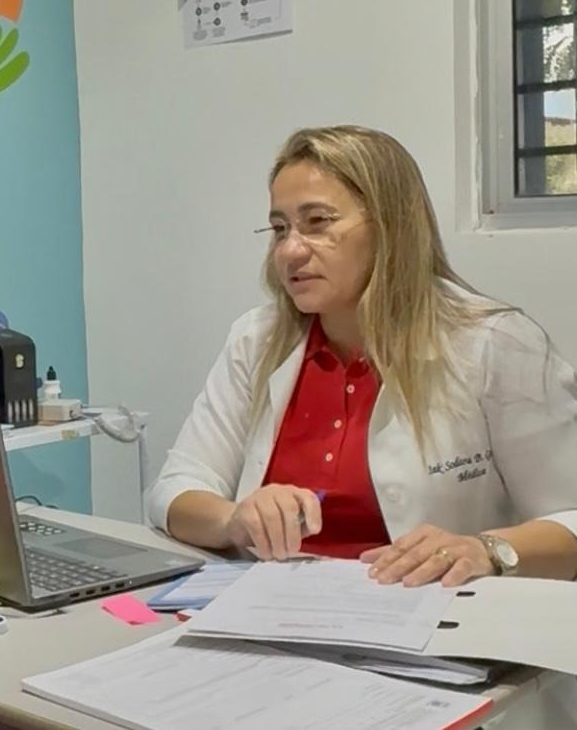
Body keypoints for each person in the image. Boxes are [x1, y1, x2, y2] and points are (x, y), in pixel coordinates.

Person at [147, 125, 577, 588]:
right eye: (280, 229)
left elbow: (570, 519)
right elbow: (175, 489)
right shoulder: (256, 339)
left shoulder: (495, 342)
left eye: (318, 222)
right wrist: (232, 520)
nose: (290, 250)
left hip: (432, 611)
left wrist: (484, 550)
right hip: (271, 608)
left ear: (390, 227)